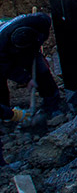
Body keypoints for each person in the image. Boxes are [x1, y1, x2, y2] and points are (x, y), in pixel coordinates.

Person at [0, 13, 61, 166]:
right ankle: (6, 115)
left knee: (42, 71)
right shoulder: (1, 47)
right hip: (5, 56)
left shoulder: (39, 21)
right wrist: (25, 79)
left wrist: (37, 44)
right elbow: (5, 68)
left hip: (31, 47)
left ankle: (52, 104)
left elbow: (47, 22)